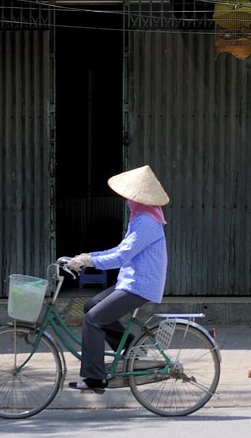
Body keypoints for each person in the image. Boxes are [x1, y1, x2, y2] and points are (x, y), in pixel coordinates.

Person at [64, 165, 170, 393]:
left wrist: (89, 261)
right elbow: (120, 249)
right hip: (131, 281)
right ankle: (133, 351)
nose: (127, 200)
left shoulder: (146, 223)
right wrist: (88, 256)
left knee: (93, 319)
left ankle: (95, 378)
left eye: (130, 196)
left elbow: (122, 256)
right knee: (92, 305)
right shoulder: (139, 218)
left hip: (140, 285)